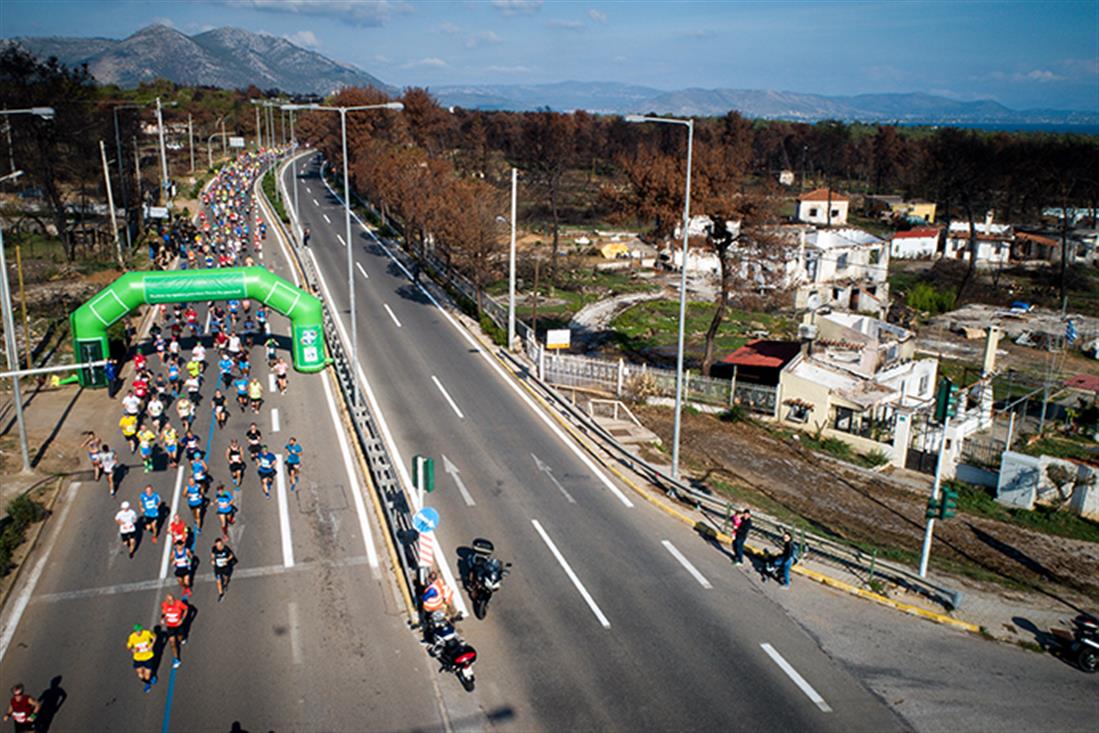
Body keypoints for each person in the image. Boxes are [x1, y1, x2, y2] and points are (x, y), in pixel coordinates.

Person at [126, 624, 157, 692]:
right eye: (137, 631)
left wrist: (152, 645)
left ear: (142, 630)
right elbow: (128, 646)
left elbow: (154, 637)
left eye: (140, 631)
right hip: (138, 658)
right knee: (140, 674)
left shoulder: (147, 633)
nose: (138, 633)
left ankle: (148, 684)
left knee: (147, 676)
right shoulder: (132, 637)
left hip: (148, 657)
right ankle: (149, 679)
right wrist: (132, 649)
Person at [161, 593, 188, 669]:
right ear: (167, 600)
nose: (172, 601)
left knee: (180, 638)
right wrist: (162, 618)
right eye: (170, 600)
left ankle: (183, 638)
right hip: (170, 626)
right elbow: (163, 612)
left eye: (173, 599)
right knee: (172, 642)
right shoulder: (164, 605)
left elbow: (186, 609)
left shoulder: (179, 603)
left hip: (179, 625)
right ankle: (176, 659)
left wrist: (182, 619)